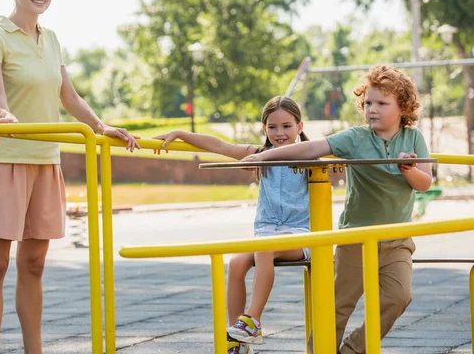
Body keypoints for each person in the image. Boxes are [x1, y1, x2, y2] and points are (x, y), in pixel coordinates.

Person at [0, 0, 140, 353]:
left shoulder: (50, 39)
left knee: (34, 265)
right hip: (6, 157)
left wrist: (101, 126)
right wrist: (3, 113)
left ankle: (35, 350)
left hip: (46, 161)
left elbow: (68, 96)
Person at [242, 66, 433, 354]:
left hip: (396, 240)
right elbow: (309, 149)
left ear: (402, 107)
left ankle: (353, 350)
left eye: (382, 103)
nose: (372, 109)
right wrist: (264, 156)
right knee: (337, 306)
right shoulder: (355, 138)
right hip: (354, 239)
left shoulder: (413, 137)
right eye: (368, 103)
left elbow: (425, 183)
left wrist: (407, 169)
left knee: (399, 297)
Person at [154, 96, 311, 354]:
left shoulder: (308, 155)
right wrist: (180, 133)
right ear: (264, 129)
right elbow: (218, 145)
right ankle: (238, 342)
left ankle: (251, 321)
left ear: (300, 127)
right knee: (237, 262)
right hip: (267, 234)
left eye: (286, 126)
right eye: (272, 127)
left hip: (301, 236)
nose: (280, 133)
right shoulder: (259, 155)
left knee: (264, 248)